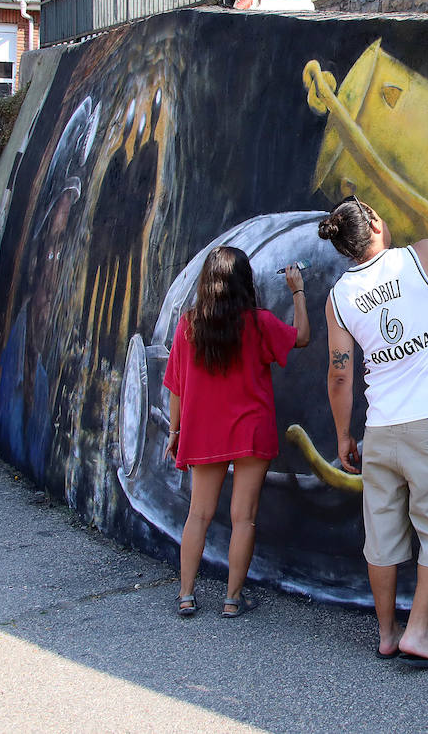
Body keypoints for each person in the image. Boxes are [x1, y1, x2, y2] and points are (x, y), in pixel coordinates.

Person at [318, 161, 428, 669]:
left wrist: (343, 436)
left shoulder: (338, 298)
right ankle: (418, 632)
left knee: (383, 537)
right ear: (373, 224)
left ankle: (388, 633)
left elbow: (340, 375)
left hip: (381, 433)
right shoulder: (417, 259)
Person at [163, 247, 310, 618]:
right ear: (245, 280)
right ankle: (232, 599)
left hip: (203, 430)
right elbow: (302, 337)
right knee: (244, 517)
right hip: (250, 430)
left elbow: (176, 386)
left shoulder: (189, 325)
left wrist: (174, 430)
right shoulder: (258, 322)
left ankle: (185, 594)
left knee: (199, 514)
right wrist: (297, 291)